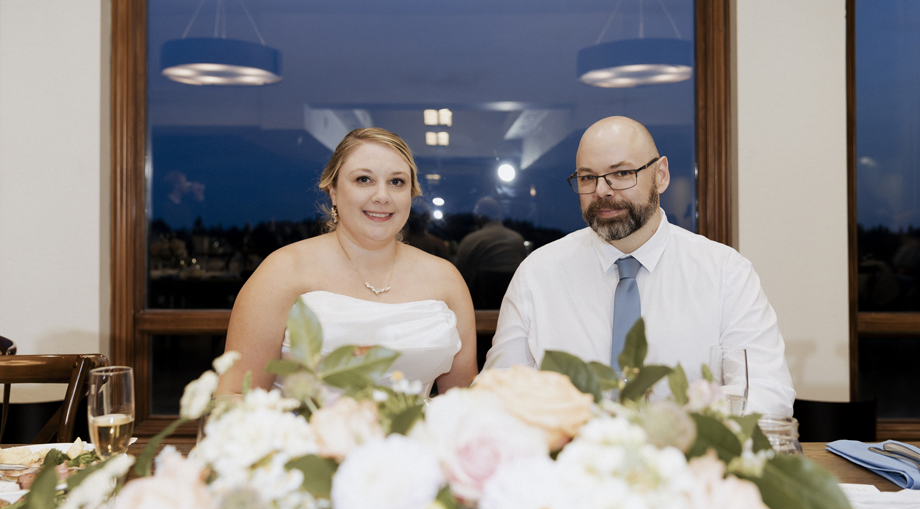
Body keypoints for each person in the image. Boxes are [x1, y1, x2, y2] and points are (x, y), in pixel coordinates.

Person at [486, 116, 796, 416]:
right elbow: (495, 397)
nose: (602, 190)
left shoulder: (726, 273)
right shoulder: (537, 275)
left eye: (621, 173)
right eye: (588, 177)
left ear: (660, 175)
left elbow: (767, 393)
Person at [220, 127, 477, 396]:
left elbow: (465, 405)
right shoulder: (282, 271)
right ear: (333, 190)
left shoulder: (446, 279)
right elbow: (233, 396)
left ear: (410, 194)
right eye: (364, 179)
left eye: (396, 182)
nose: (382, 196)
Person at [455, 197, 528, 309]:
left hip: (480, 312)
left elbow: (459, 277)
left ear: (479, 215)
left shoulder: (471, 240)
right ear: (499, 214)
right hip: (513, 308)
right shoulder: (517, 239)